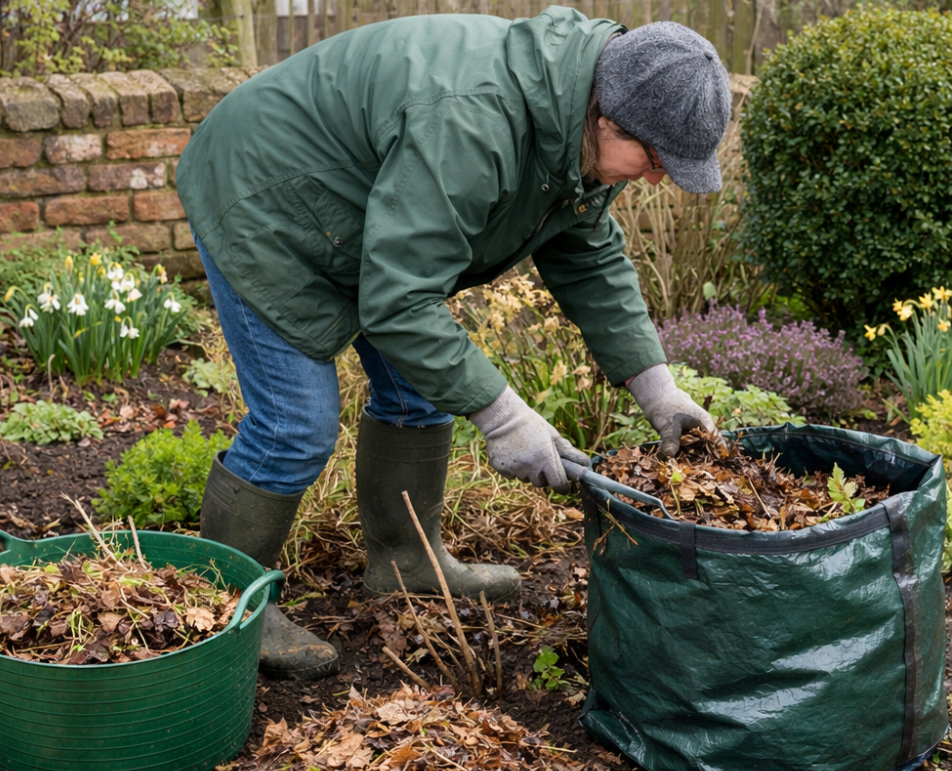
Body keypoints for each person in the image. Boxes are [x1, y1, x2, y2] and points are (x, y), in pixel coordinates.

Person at [176, 10, 730, 681]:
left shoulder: (571, 128)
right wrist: (502, 417)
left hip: (362, 207)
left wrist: (657, 388)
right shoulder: (474, 122)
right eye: (654, 160)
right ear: (607, 115)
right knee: (295, 422)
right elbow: (399, 299)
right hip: (267, 193)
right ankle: (225, 606)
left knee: (418, 386)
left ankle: (407, 565)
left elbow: (589, 259)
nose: (655, 180)